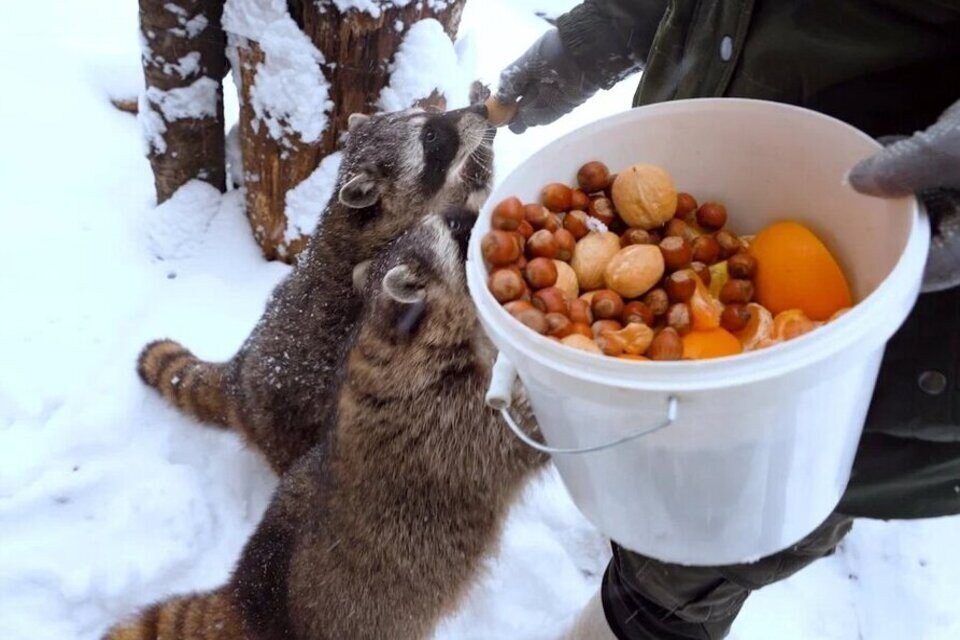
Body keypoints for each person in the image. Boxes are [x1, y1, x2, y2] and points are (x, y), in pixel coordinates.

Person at [496, 2, 960, 638]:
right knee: (662, 468)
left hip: (908, 316)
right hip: (721, 136)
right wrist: (610, 24)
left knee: (707, 540)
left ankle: (654, 607)